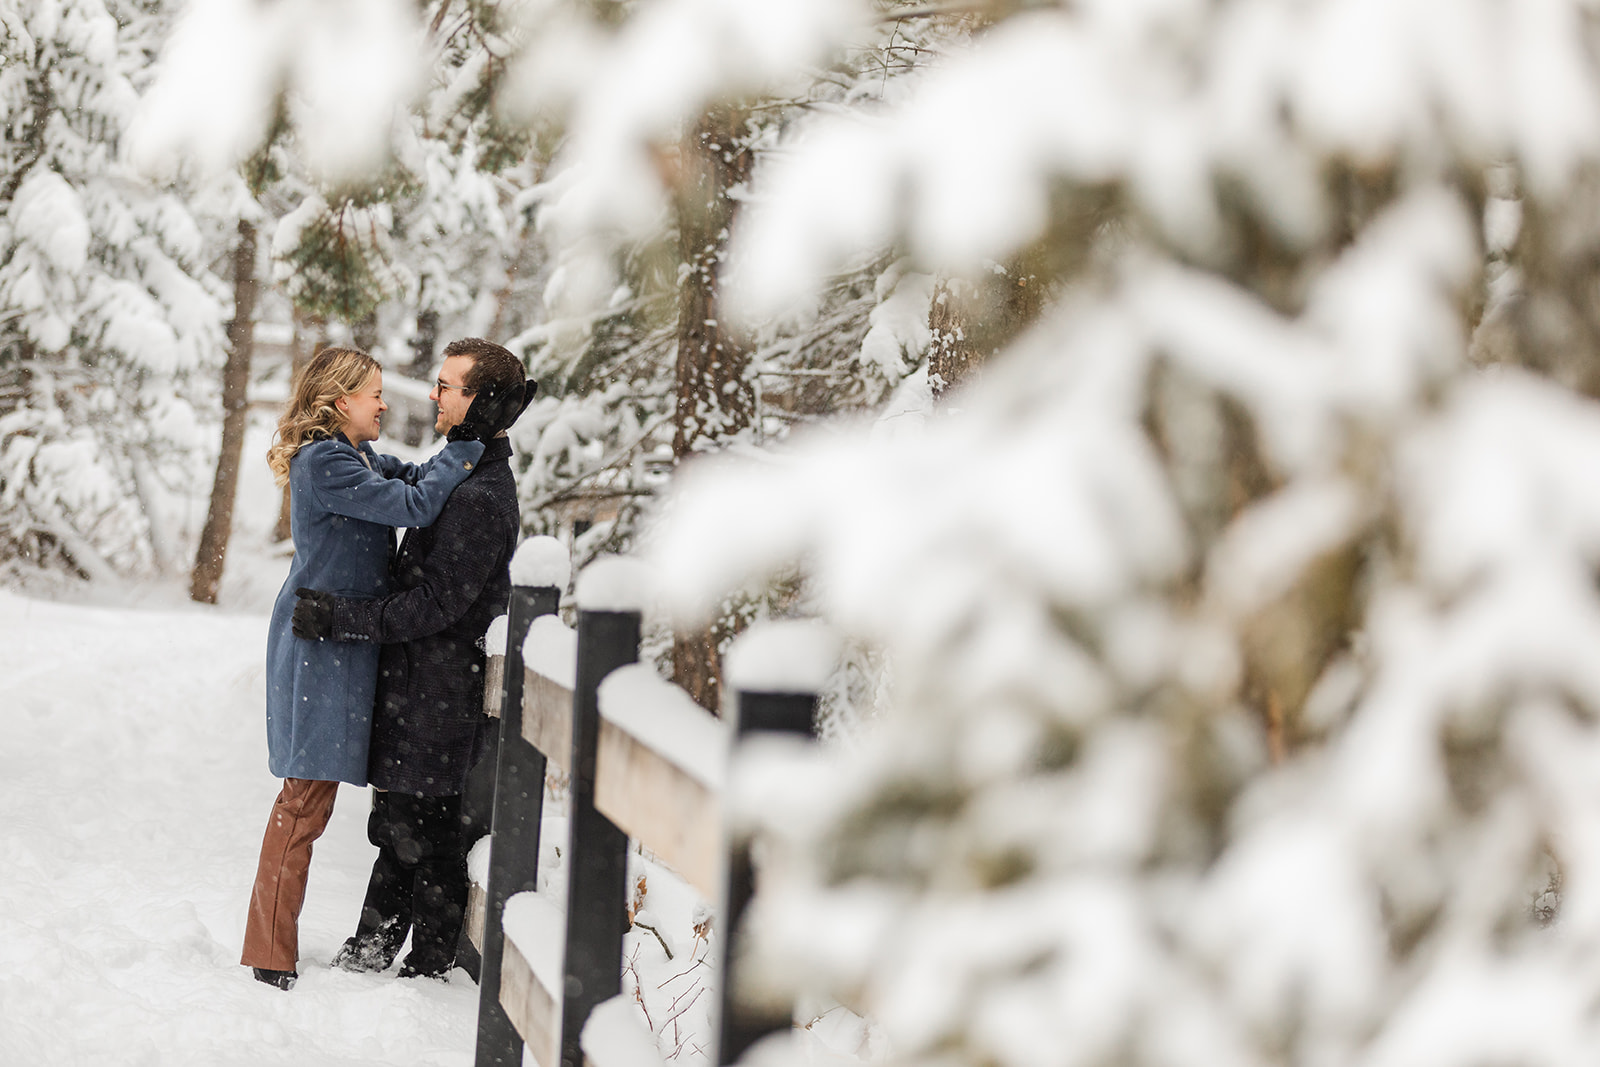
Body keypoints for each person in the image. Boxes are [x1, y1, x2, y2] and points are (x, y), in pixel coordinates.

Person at [243, 346, 488, 992]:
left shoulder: (355, 457)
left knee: (309, 800)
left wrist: (456, 451)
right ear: (338, 401)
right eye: (374, 393)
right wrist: (467, 453)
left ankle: (270, 943)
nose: (385, 404)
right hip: (318, 647)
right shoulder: (326, 462)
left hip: (339, 647)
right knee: (304, 800)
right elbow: (412, 506)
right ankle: (268, 950)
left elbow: (409, 480)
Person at [292, 337, 533, 980]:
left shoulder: (481, 497)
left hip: (440, 693)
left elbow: (434, 607)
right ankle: (371, 957)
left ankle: (426, 972)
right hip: (417, 687)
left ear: (478, 403)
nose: (435, 395)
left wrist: (343, 619)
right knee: (400, 825)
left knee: (424, 834)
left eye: (448, 386)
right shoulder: (460, 475)